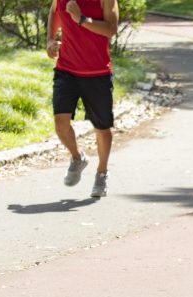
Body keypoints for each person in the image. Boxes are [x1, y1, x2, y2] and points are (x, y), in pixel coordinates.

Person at [46, 0, 119, 198]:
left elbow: (111, 29)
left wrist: (82, 19)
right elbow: (54, 12)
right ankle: (77, 158)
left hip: (97, 73)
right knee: (60, 125)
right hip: (66, 69)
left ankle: (102, 172)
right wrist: (50, 40)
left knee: (101, 128)